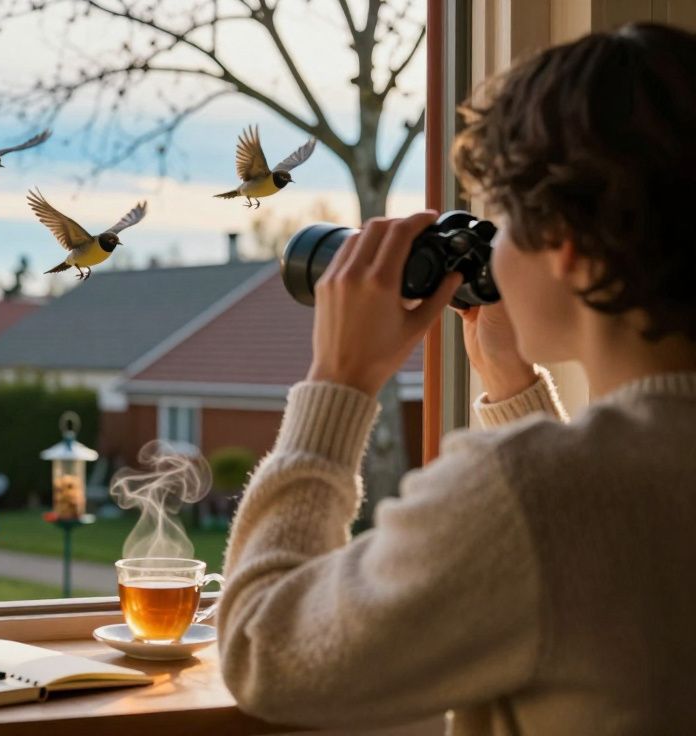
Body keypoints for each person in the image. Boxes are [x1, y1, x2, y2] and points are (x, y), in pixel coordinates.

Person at [217, 22, 696, 735]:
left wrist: (339, 384)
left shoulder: (527, 494)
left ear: (564, 247)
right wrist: (514, 389)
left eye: (498, 226)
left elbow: (267, 653)